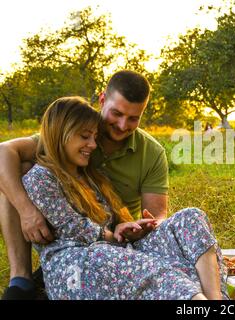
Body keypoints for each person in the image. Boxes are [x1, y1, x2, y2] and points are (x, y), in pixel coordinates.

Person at [0, 70, 222, 299]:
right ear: (102, 99)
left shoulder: (143, 154)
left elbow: (157, 217)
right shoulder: (55, 153)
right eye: (117, 113)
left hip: (119, 242)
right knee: (14, 170)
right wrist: (26, 210)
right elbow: (4, 153)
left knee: (192, 217)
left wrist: (135, 228)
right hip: (87, 253)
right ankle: (21, 278)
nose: (123, 125)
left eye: (133, 118)